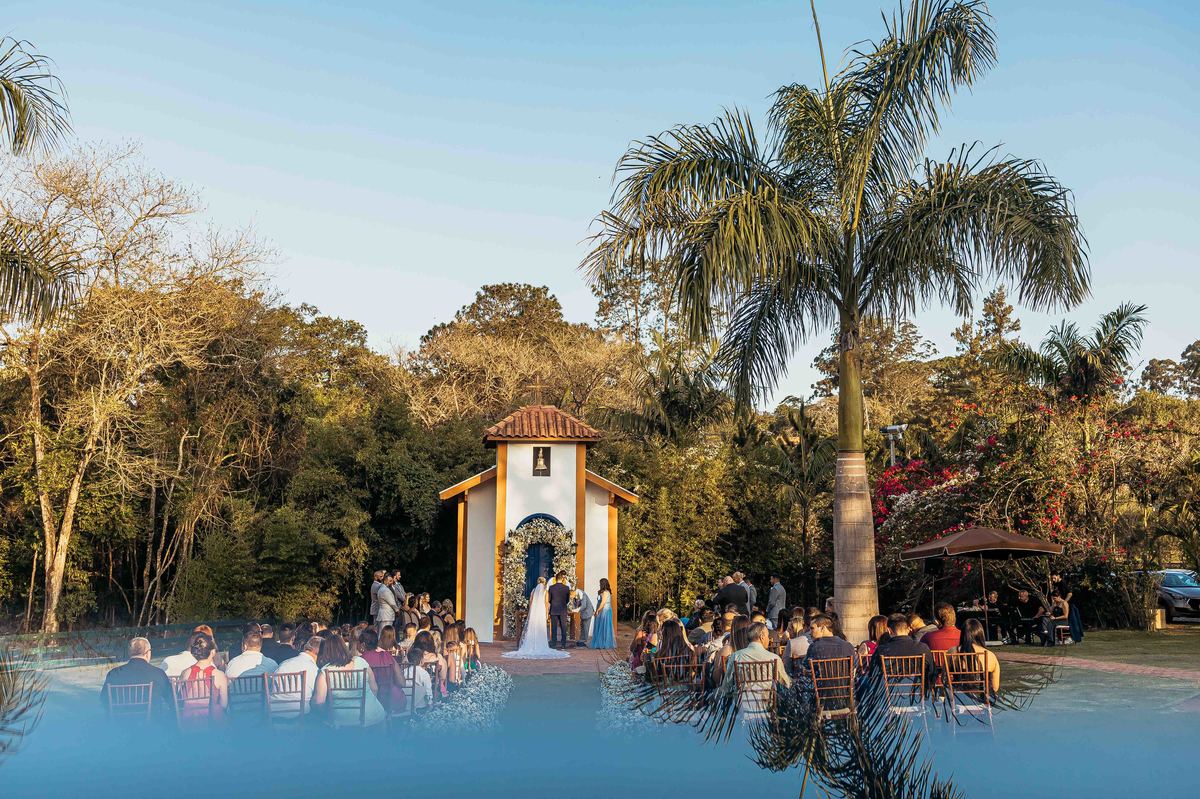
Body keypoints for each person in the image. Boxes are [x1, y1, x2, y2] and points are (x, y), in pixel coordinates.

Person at [312, 634, 386, 727]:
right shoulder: (361, 661)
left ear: (326, 651)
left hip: (343, 721)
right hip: (374, 716)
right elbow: (374, 688)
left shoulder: (325, 671)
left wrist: (327, 713)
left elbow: (319, 702)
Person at [100, 637, 176, 725]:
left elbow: (104, 700)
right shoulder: (158, 673)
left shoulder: (113, 674)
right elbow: (171, 700)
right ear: (148, 653)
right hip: (152, 725)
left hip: (121, 725)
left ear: (129, 653)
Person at [503, 576, 570, 660]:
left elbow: (531, 602)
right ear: (544, 582)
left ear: (538, 582)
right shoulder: (545, 591)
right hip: (541, 612)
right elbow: (546, 603)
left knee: (533, 628)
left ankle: (531, 644)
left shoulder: (533, 590)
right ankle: (541, 644)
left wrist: (531, 611)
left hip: (534, 612)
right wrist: (546, 613)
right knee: (541, 628)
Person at [870, 614, 937, 692]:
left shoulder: (881, 650)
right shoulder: (922, 648)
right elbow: (932, 672)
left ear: (889, 630)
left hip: (891, 693)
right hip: (918, 691)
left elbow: (873, 673)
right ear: (908, 629)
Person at [177, 633, 228, 727]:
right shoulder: (219, 675)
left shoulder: (185, 673)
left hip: (188, 722)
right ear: (213, 652)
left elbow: (179, 698)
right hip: (212, 722)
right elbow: (224, 704)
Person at [951, 618, 1000, 694]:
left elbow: (945, 678)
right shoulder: (990, 655)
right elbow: (995, 687)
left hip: (957, 696)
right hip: (982, 697)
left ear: (963, 634)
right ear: (981, 634)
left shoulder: (953, 651)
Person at [276, 635, 323, 711]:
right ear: (319, 653)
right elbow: (317, 700)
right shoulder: (315, 670)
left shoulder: (284, 663)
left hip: (274, 711)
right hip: (300, 713)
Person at [401, 645, 434, 714]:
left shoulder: (404, 671)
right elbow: (428, 690)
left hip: (405, 701)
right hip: (420, 704)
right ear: (421, 660)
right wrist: (430, 703)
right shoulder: (424, 673)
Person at [547, 571, 571, 650]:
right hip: (563, 609)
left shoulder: (551, 588)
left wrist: (553, 603)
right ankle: (563, 644)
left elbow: (549, 599)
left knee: (554, 627)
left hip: (554, 609)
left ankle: (554, 644)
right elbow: (567, 600)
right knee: (563, 627)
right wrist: (563, 603)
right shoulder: (566, 588)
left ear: (556, 578)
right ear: (562, 579)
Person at [590, 577, 615, 649]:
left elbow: (603, 603)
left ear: (603, 584)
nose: (599, 585)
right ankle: (601, 641)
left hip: (604, 611)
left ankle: (603, 643)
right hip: (602, 610)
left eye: (600, 584)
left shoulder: (605, 592)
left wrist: (597, 611)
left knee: (603, 626)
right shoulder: (602, 592)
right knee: (601, 626)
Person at [570, 583, 595, 648]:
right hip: (583, 613)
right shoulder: (575, 596)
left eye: (571, 594)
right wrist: (572, 609)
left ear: (574, 592)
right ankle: (581, 640)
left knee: (586, 627)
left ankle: (584, 642)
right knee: (582, 626)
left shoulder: (582, 594)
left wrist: (575, 610)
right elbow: (575, 605)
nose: (570, 596)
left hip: (587, 612)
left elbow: (583, 606)